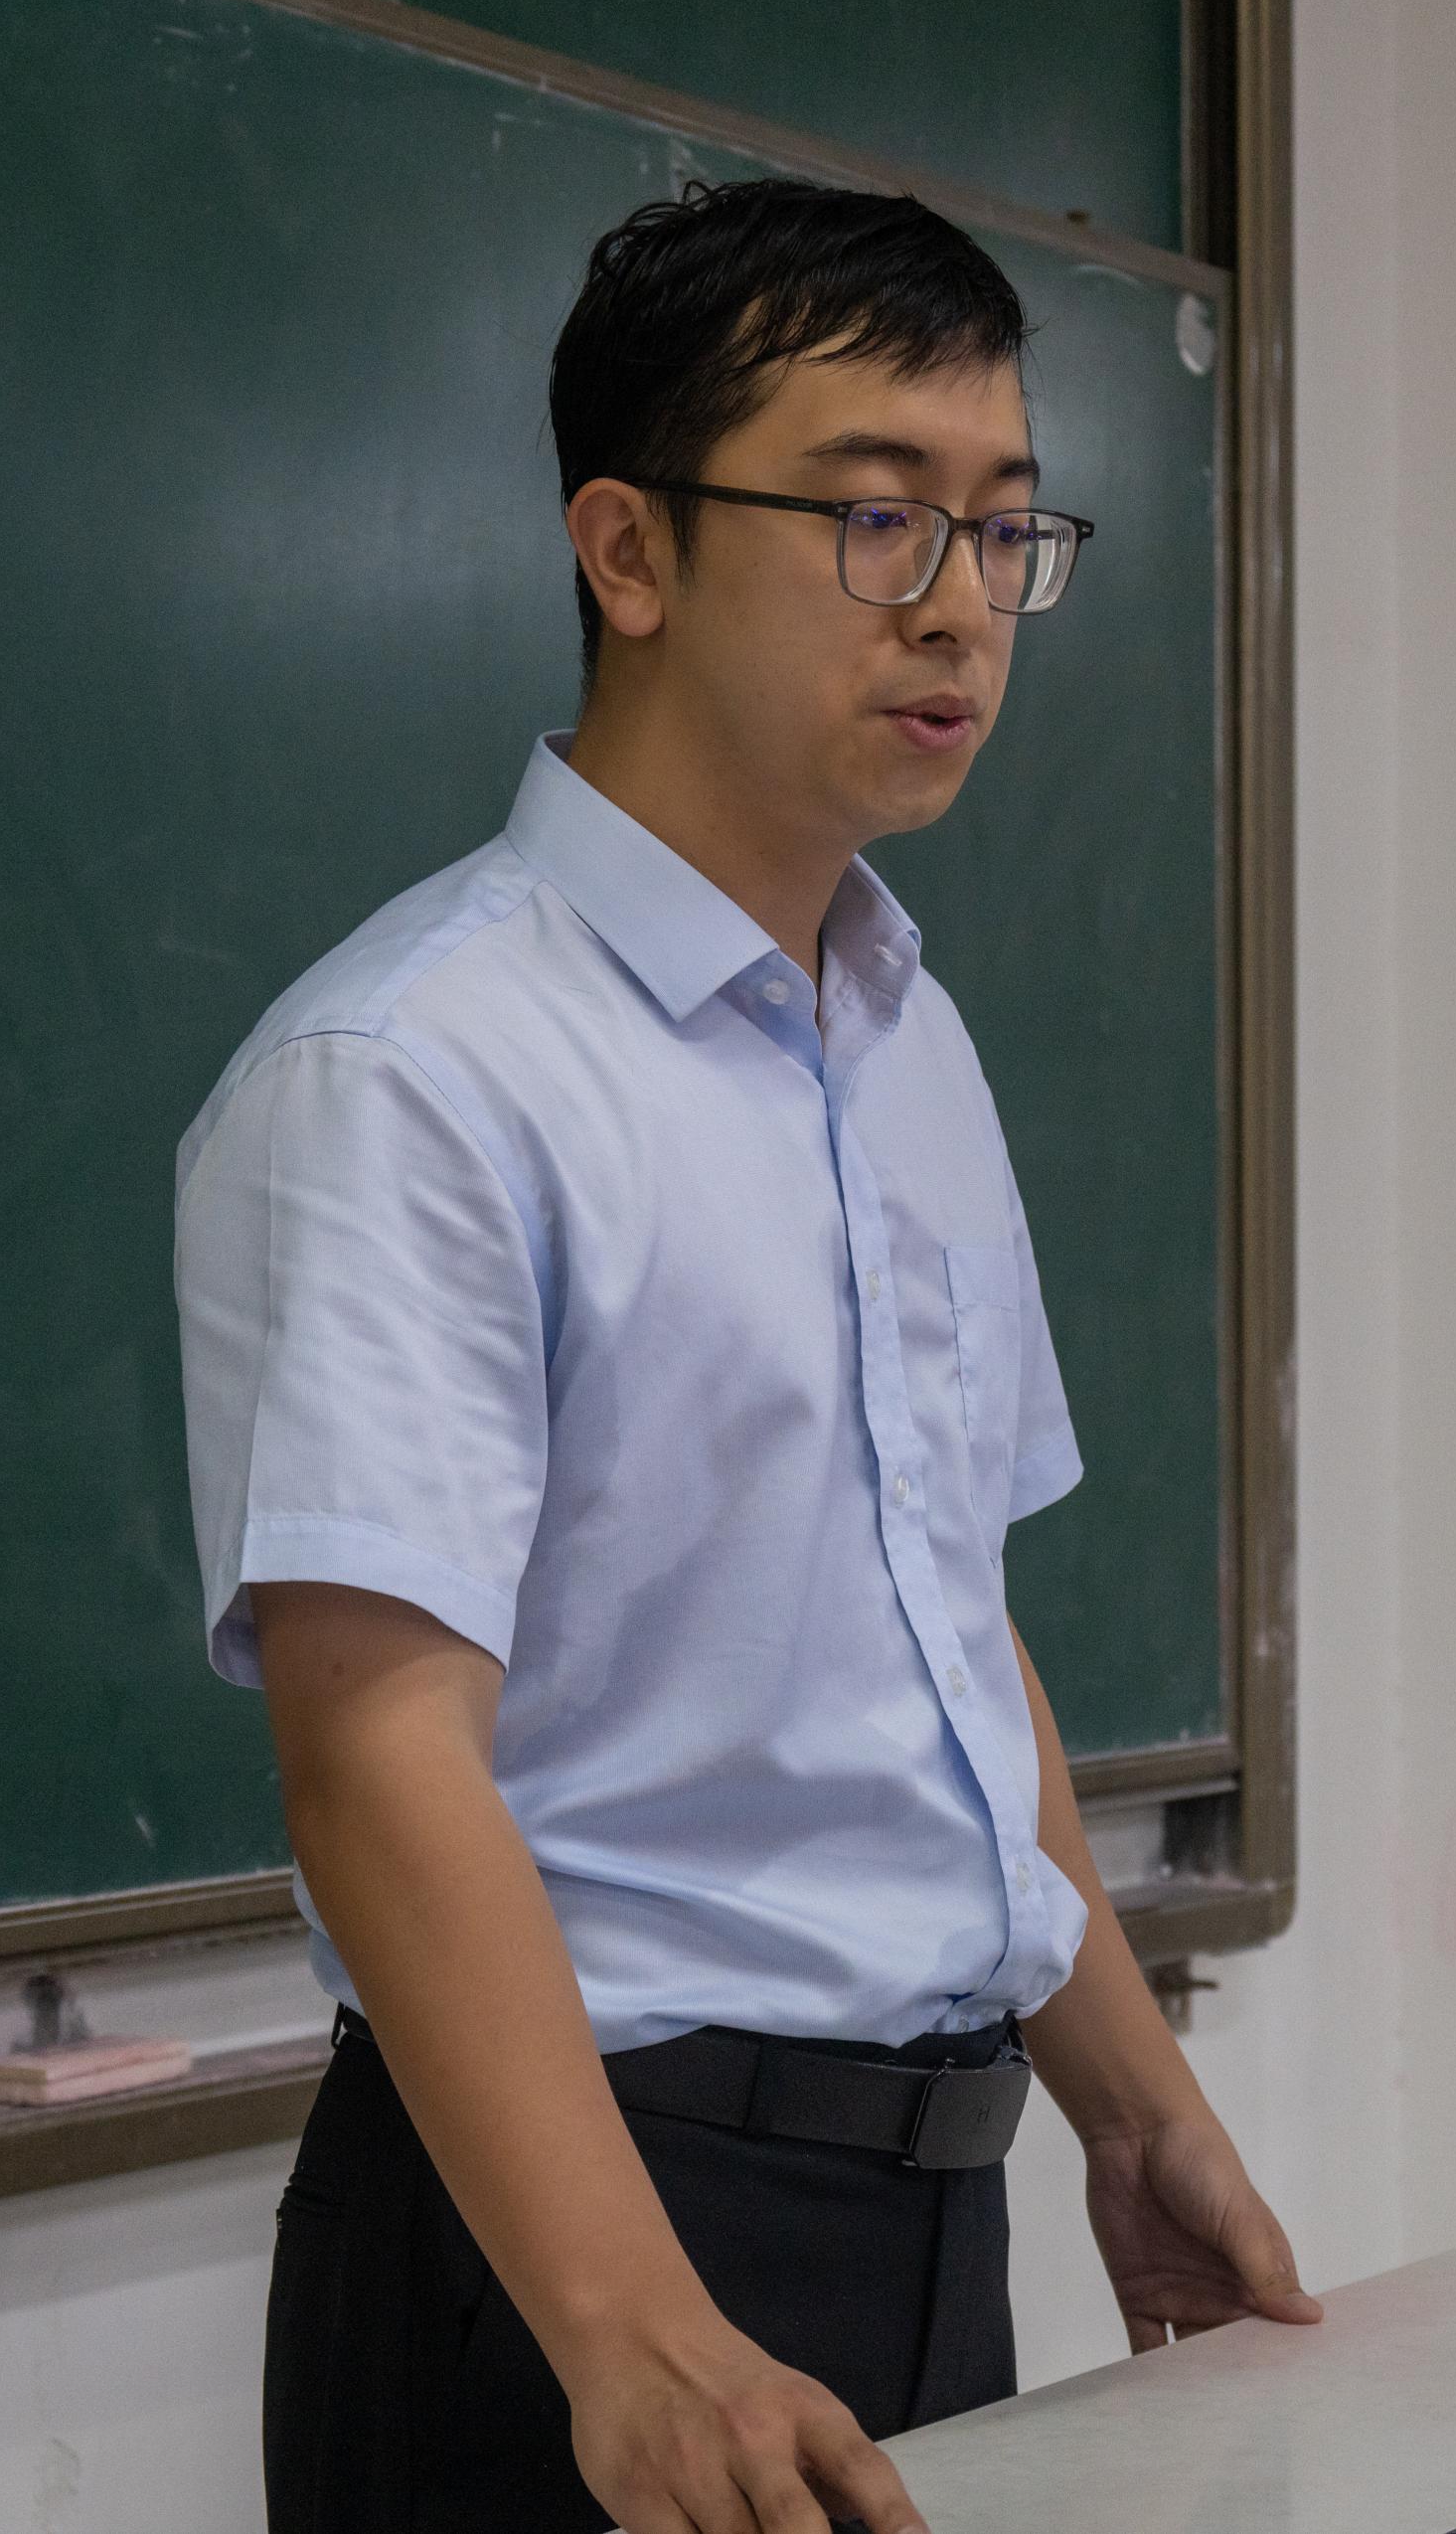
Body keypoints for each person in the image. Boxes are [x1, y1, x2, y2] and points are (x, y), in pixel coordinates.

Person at [174, 179, 1315, 2534]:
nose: (960, 605)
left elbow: (943, 1634)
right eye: (875, 516)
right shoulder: (419, 1071)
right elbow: (377, 1756)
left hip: (932, 2202)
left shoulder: (899, 1036)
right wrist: (628, 2323)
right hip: (575, 2246)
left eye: (1004, 528)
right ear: (628, 551)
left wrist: (1128, 2110)